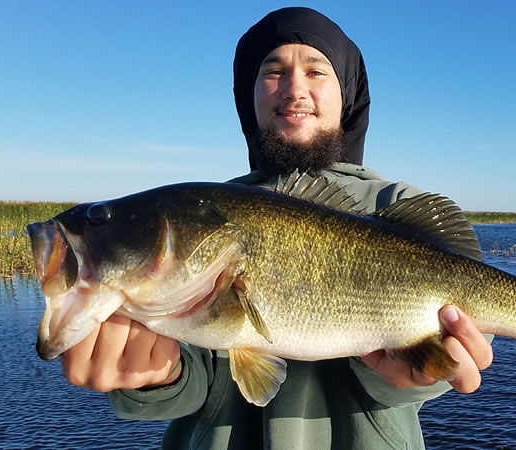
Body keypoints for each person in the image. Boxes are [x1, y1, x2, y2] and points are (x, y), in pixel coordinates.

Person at [60, 7, 493, 449]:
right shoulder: (205, 212)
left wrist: (425, 370)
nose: (294, 89)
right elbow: (190, 386)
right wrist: (153, 378)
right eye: (272, 71)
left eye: (316, 70)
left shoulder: (398, 206)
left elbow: (440, 356)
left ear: (347, 94)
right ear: (247, 96)